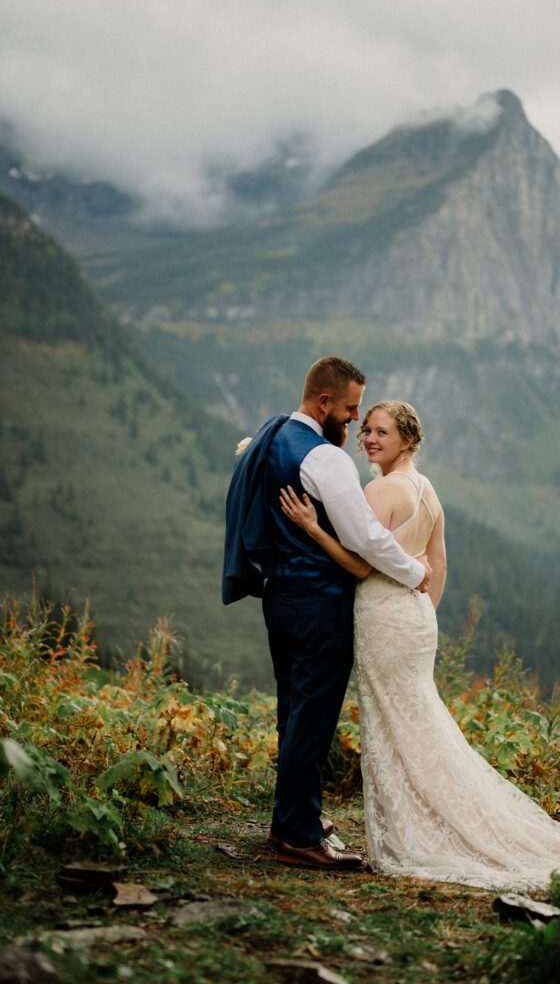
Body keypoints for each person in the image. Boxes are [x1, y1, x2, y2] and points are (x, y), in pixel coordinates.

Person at [279, 399, 560, 891]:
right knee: (418, 717)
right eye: (367, 433)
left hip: (382, 615)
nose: (370, 440)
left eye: (381, 432)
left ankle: (419, 827)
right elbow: (437, 565)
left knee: (395, 722)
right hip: (417, 620)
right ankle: (441, 812)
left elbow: (359, 566)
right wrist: (422, 615)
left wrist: (312, 527)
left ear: (407, 439)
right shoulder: (427, 490)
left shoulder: (379, 491)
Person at [222, 358, 431, 872]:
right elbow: (365, 538)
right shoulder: (326, 459)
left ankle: (291, 817)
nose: (356, 420)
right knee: (311, 720)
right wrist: (411, 571)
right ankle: (298, 835)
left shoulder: (268, 439)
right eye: (351, 408)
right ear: (324, 405)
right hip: (319, 603)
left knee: (293, 712)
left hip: (279, 598)